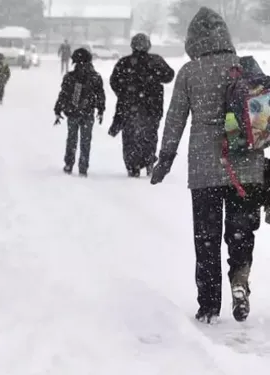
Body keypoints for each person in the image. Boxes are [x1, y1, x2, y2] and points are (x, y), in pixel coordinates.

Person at [150, 7, 264, 324]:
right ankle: (239, 281)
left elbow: (175, 121)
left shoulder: (190, 72)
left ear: (193, 39)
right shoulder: (244, 67)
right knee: (241, 233)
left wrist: (165, 159)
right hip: (247, 168)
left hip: (205, 170)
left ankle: (209, 305)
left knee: (207, 239)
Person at [109, 33, 175, 177]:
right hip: (152, 107)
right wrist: (154, 76)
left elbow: (114, 81)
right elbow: (169, 75)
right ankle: (148, 160)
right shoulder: (155, 61)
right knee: (149, 136)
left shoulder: (124, 63)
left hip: (129, 107)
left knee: (130, 138)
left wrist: (124, 93)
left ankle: (133, 166)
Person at [53, 48, 105, 177]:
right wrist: (100, 109)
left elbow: (63, 94)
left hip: (73, 112)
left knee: (72, 139)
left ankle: (69, 163)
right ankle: (83, 166)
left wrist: (58, 109)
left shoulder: (70, 77)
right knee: (85, 140)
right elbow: (100, 95)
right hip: (87, 112)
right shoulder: (95, 77)